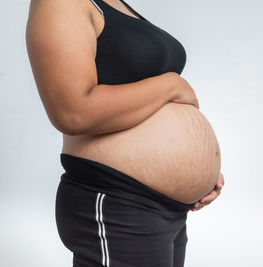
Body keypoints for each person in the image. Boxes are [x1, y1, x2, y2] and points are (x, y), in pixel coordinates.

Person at [25, 0, 225, 266]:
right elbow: (73, 112)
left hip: (166, 208)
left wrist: (202, 173)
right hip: (118, 200)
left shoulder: (114, 4)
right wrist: (172, 85)